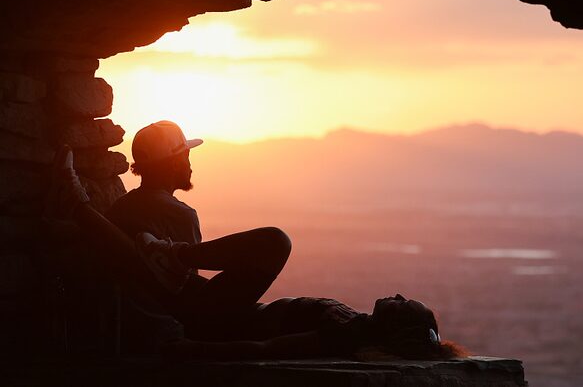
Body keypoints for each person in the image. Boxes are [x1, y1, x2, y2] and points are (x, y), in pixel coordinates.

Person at [48, 121, 465, 360]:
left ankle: (88, 210)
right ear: (174, 161)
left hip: (211, 318)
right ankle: (151, 246)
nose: (397, 294)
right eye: (185, 155)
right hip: (205, 311)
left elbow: (261, 344)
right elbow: (153, 282)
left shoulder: (347, 334)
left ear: (399, 327)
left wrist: (191, 345)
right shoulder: (352, 327)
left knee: (273, 243)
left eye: (407, 304)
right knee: (272, 243)